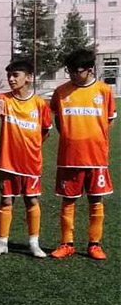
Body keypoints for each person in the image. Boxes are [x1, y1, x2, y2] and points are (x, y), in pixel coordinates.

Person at [49, 48, 115, 260]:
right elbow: (58, 120)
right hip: (69, 158)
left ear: (89, 69)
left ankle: (94, 244)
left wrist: (95, 138)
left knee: (96, 200)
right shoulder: (60, 92)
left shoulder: (104, 91)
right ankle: (66, 243)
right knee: (68, 201)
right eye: (69, 71)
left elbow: (109, 120)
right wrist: (71, 137)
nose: (72, 75)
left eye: (76, 71)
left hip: (96, 158)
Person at [0, 59, 52, 257]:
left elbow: (45, 131)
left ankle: (34, 243)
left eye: (16, 75)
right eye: (9, 75)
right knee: (6, 200)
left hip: (31, 162)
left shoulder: (40, 104)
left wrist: (31, 147)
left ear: (28, 78)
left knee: (31, 200)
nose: (11, 79)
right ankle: (2, 243)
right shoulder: (4, 99)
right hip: (8, 161)